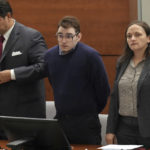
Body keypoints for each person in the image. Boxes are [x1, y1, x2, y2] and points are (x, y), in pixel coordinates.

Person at [44, 16, 110, 145]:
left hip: (86, 123)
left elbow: (103, 89)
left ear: (78, 37)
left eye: (69, 36)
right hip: (61, 121)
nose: (63, 40)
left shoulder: (91, 56)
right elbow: (55, 83)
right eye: (60, 35)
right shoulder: (49, 56)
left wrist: (90, 110)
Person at [0, 0, 47, 138]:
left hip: (24, 120)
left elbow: (44, 67)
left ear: (8, 16)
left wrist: (12, 74)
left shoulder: (31, 37)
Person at [106, 20, 150, 148]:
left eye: (137, 34)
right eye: (129, 36)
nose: (132, 38)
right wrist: (110, 130)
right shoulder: (122, 62)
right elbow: (115, 98)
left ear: (148, 38)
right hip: (124, 129)